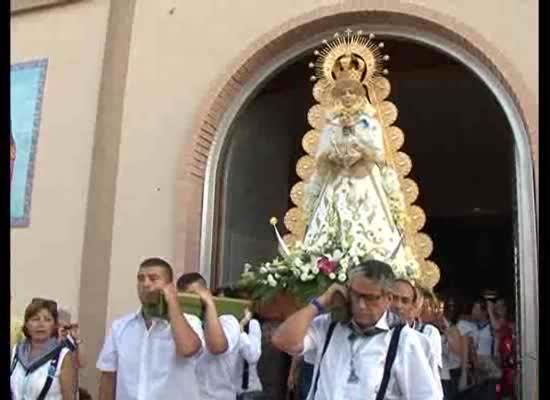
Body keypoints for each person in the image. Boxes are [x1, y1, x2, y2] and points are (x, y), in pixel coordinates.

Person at [272, 260, 442, 400]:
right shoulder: (328, 326)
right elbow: (283, 341)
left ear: (388, 299)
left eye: (370, 298)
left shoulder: (406, 341)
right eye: (356, 295)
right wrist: (321, 302)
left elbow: (427, 396)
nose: (361, 305)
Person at [96, 257, 203, 400]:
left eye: (153, 279)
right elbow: (108, 377)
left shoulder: (190, 321)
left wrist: (172, 300)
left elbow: (188, 348)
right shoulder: (120, 327)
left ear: (169, 286)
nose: (145, 284)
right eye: (141, 279)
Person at [177, 272, 242, 400]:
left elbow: (217, 347)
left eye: (194, 296)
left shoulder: (228, 321)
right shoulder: (183, 323)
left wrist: (209, 304)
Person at [11, 298, 76, 399]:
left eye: (47, 320)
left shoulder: (62, 355)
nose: (41, 324)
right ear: (27, 324)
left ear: (54, 325)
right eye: (35, 319)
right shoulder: (16, 351)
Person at [237, 309, 264, 400]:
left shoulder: (251, 324)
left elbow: (252, 356)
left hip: (248, 392)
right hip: (224, 391)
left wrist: (241, 330)